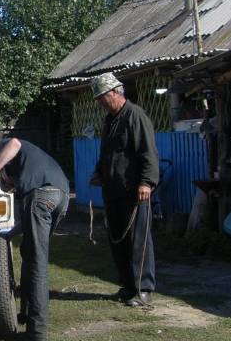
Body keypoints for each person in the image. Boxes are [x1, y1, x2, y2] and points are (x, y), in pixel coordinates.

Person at [0, 138, 69, 341]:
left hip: (43, 194)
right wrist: (8, 234)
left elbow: (15, 143)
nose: (11, 187)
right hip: (61, 196)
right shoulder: (31, 166)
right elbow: (23, 222)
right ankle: (26, 313)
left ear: (7, 168)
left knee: (37, 262)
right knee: (29, 251)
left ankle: (37, 334)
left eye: (8, 183)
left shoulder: (9, 147)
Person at [88, 73, 159, 308]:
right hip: (113, 189)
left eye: (102, 98)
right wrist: (99, 172)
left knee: (138, 240)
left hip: (134, 190)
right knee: (118, 239)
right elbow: (107, 152)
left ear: (115, 93)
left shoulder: (135, 115)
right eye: (98, 99)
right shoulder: (110, 119)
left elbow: (148, 152)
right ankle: (128, 286)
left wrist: (146, 182)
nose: (100, 103)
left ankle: (144, 289)